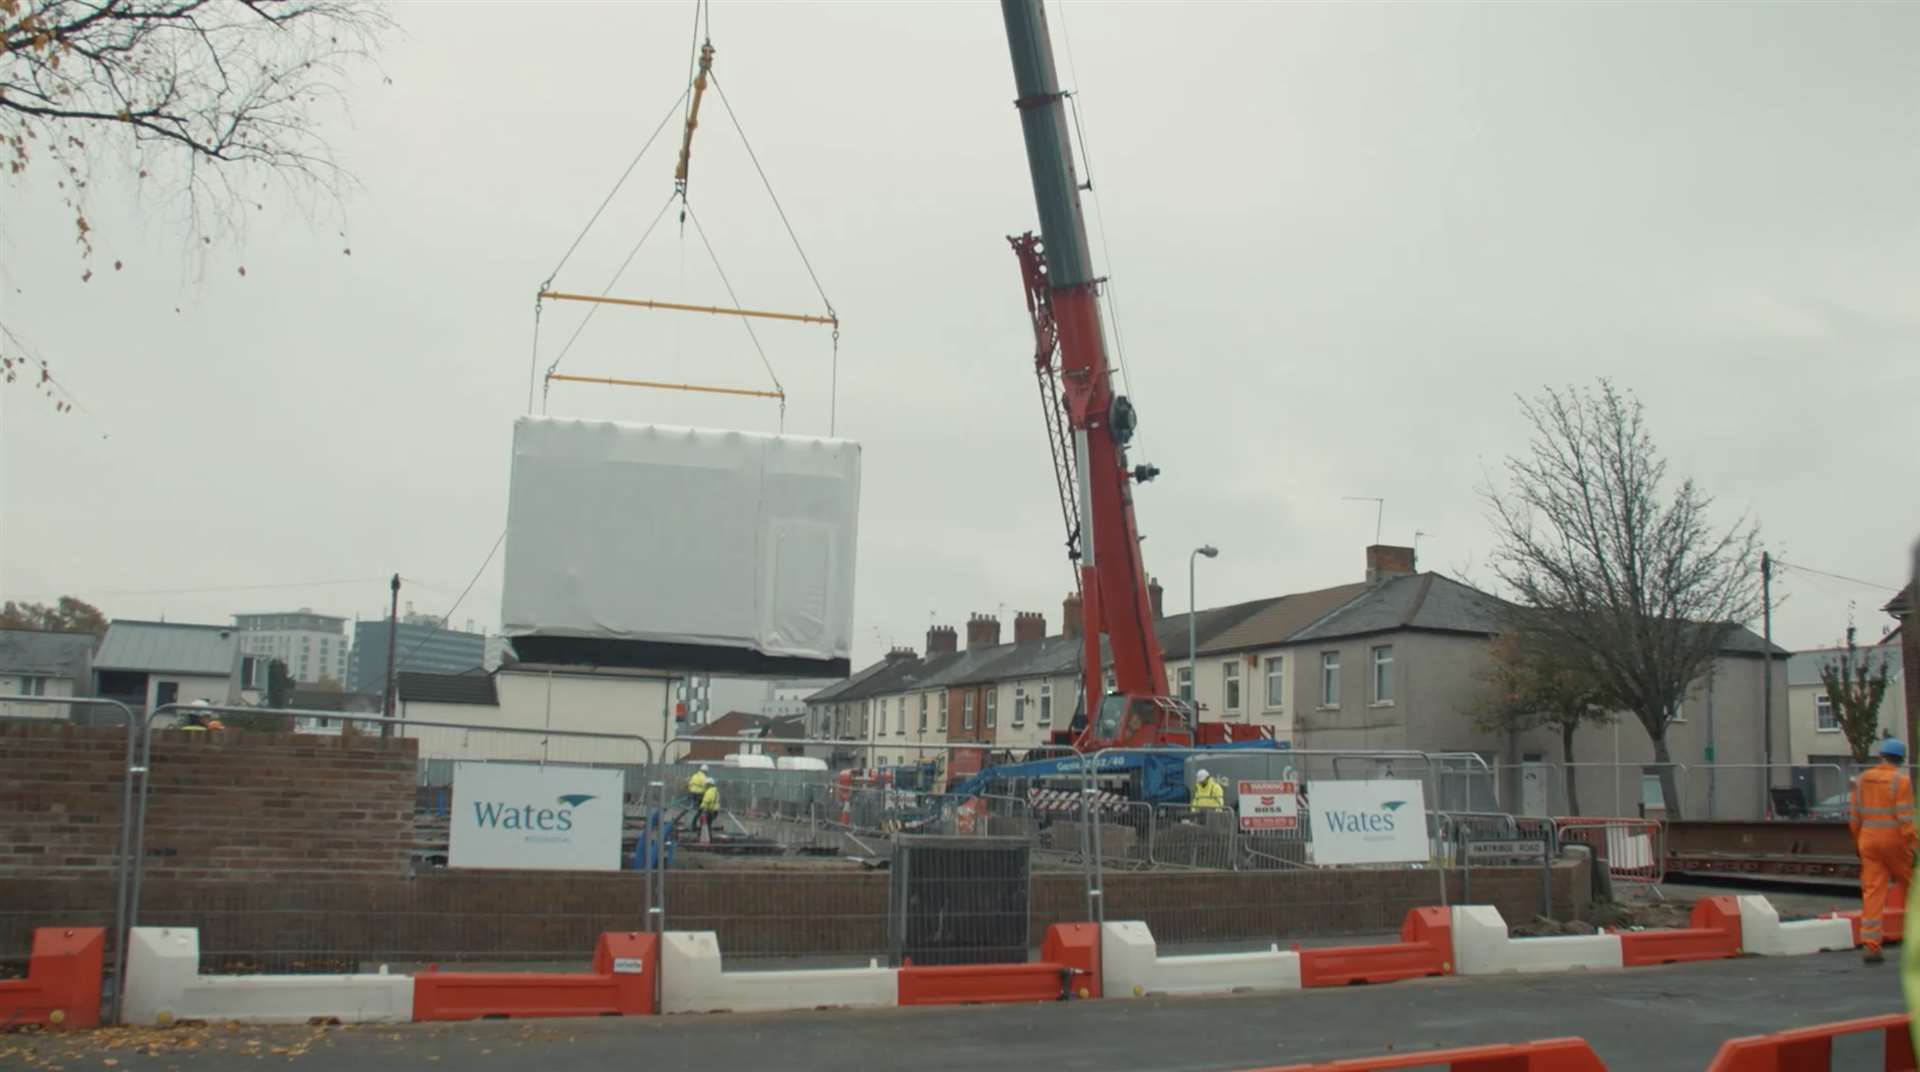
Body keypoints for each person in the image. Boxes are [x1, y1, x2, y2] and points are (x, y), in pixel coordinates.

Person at [1851, 738, 1915, 964]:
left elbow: (1855, 816)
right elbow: (1906, 819)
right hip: (1895, 842)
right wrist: (1915, 845)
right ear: (1900, 760)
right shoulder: (1901, 781)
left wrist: (1859, 841)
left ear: (1881, 756)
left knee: (1872, 893)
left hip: (1868, 841)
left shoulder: (1862, 780)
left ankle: (1871, 946)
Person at [696, 777, 720, 843]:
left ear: (709, 784)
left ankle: (704, 839)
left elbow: (706, 801)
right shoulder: (715, 791)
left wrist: (701, 807)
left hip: (709, 811)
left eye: (706, 784)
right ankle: (708, 839)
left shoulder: (709, 791)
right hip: (714, 811)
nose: (705, 785)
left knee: (704, 824)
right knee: (708, 825)